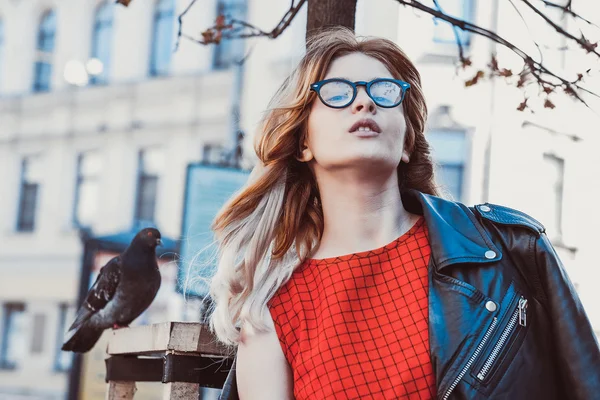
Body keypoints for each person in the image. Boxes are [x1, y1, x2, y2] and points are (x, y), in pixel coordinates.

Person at [207, 27, 600, 400]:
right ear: (302, 143)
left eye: (384, 91)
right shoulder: (270, 310)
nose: (365, 102)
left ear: (407, 141)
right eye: (337, 92)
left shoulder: (510, 248)